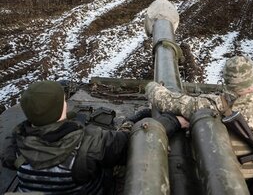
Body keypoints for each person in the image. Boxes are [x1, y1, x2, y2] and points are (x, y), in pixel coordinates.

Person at [146, 55, 253, 193]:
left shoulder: (209, 105)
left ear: (226, 82)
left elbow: (168, 101)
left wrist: (152, 87)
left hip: (217, 183)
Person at [2, 80, 188, 194]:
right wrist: (173, 121)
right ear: (61, 108)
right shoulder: (88, 142)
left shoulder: (16, 144)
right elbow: (132, 143)